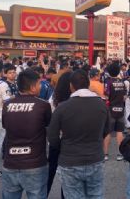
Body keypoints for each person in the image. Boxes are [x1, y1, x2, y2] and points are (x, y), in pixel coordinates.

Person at [48, 69, 109, 199]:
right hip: (95, 158)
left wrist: (63, 146)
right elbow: (106, 130)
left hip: (70, 160)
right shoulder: (102, 105)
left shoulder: (62, 107)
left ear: (71, 86)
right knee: (95, 195)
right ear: (89, 84)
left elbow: (52, 136)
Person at [1, 70, 51, 198]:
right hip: (35, 163)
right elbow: (48, 126)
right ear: (33, 87)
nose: (41, 86)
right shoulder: (43, 105)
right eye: (39, 83)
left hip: (10, 162)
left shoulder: (7, 105)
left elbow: (6, 126)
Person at [47, 71, 73, 199]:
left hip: (55, 140)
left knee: (50, 172)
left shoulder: (53, 98)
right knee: (67, 175)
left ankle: (43, 194)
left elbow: (48, 119)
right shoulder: (75, 100)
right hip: (70, 142)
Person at [104, 63, 127, 161]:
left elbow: (106, 96)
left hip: (111, 109)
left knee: (108, 131)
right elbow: (125, 96)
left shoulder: (108, 82)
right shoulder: (122, 82)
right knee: (119, 131)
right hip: (121, 108)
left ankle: (105, 154)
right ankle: (120, 154)